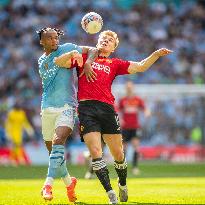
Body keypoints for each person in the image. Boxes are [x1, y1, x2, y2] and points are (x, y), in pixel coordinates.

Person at [55, 30, 172, 204]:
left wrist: (155, 54)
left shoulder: (115, 63)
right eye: (103, 38)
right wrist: (73, 52)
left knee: (118, 154)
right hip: (86, 109)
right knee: (96, 152)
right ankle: (110, 193)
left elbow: (140, 66)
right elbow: (60, 63)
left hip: (107, 109)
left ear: (113, 48)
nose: (106, 41)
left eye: (110, 40)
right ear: (97, 41)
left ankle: (122, 183)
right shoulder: (84, 57)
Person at [37, 27, 97, 202]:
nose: (55, 41)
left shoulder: (68, 46)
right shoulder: (42, 61)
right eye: (50, 38)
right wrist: (72, 53)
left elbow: (93, 50)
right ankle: (69, 183)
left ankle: (47, 185)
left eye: (56, 38)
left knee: (58, 142)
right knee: (55, 154)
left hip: (67, 106)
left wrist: (88, 62)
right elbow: (56, 62)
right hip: (47, 108)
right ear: (42, 41)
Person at [119, 81, 151, 175]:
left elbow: (145, 108)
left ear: (132, 88)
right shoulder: (123, 100)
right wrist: (120, 119)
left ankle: (135, 167)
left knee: (136, 146)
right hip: (125, 127)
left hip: (135, 127)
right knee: (123, 148)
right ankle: (123, 167)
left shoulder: (138, 100)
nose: (129, 89)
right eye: (127, 87)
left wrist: (147, 112)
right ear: (126, 89)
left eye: (130, 87)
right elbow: (118, 111)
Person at [5, 102, 34, 166]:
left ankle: (11, 159)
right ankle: (20, 159)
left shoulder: (21, 113)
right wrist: (7, 133)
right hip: (12, 131)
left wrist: (29, 129)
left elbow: (24, 122)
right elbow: (8, 124)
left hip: (19, 132)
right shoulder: (11, 113)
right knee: (17, 144)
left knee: (16, 145)